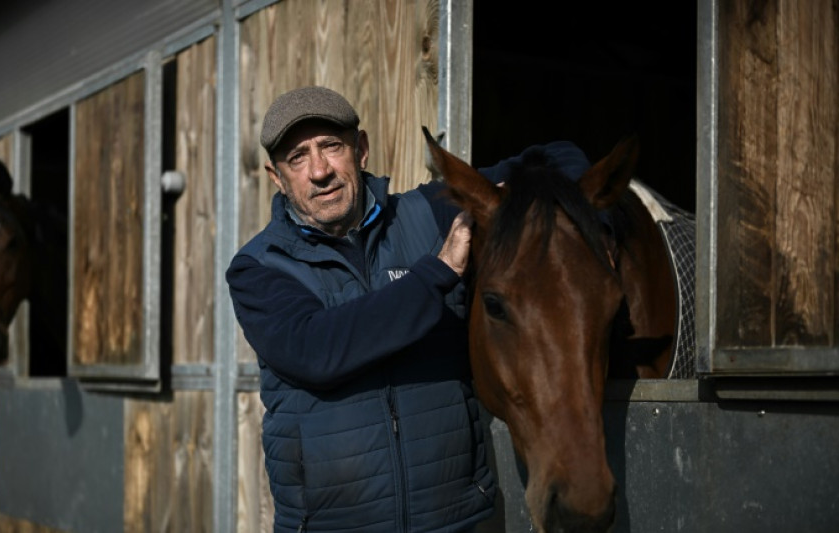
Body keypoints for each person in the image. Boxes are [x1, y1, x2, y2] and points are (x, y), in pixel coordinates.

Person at [226, 85, 590, 532]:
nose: (319, 171)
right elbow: (316, 350)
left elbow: (558, 158)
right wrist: (437, 273)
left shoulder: (427, 216)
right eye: (297, 157)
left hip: (453, 520)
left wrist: (579, 219)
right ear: (277, 177)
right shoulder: (259, 267)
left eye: (332, 146)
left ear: (360, 150)